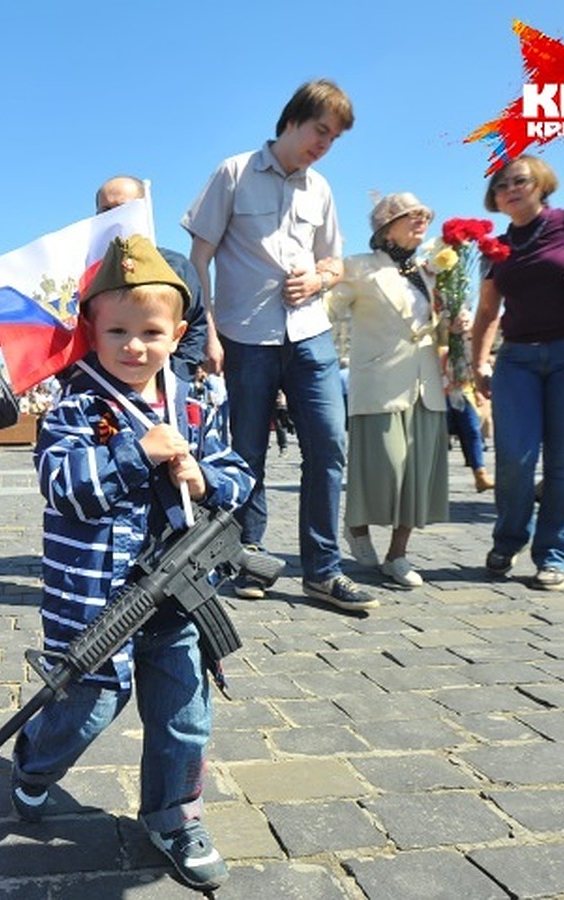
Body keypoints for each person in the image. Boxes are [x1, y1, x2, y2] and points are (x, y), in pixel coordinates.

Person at [11, 235, 254, 891]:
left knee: (185, 712)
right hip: (95, 600)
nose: (134, 346)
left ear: (177, 333)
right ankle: (35, 760)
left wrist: (204, 478)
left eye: (150, 331)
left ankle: (174, 817)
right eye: (117, 330)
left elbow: (239, 475)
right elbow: (63, 485)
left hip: (178, 594)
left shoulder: (195, 402)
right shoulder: (75, 406)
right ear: (91, 330)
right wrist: (138, 453)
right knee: (90, 706)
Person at [181, 78, 377, 612]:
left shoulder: (322, 190)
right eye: (321, 131)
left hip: (310, 334)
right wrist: (209, 333)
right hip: (245, 338)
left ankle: (323, 570)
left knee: (329, 446)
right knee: (247, 455)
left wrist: (319, 279)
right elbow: (199, 260)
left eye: (334, 138)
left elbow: (335, 261)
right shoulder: (233, 172)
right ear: (292, 120)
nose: (325, 145)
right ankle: (249, 557)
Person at [471, 154, 564, 591]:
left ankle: (556, 555)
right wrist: (478, 362)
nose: (511, 189)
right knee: (515, 459)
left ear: (541, 182)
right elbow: (487, 313)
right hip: (518, 358)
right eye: (502, 186)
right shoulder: (496, 248)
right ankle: (508, 540)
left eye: (519, 180)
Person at [327, 193, 450, 588]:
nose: (421, 220)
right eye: (410, 214)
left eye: (424, 214)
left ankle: (398, 555)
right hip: (379, 383)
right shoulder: (359, 267)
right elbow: (327, 310)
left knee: (416, 476)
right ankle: (357, 522)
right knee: (388, 468)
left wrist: (456, 324)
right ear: (385, 226)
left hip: (426, 383)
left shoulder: (433, 271)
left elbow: (437, 329)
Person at [95, 175, 207, 381]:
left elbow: (196, 326)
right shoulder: (86, 272)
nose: (114, 217)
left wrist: (176, 375)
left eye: (123, 209)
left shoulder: (176, 267)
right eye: (106, 211)